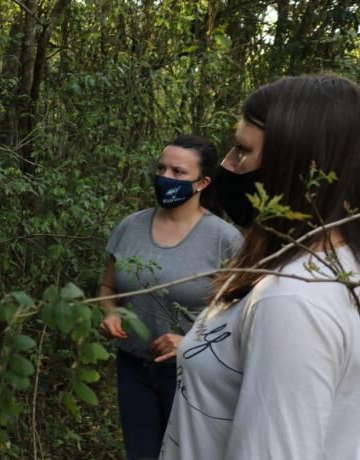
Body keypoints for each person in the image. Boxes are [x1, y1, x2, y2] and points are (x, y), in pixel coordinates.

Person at [160, 74, 360, 459]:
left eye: (241, 150)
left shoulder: (292, 300)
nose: (227, 165)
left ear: (297, 167)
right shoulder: (329, 271)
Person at [99, 135, 243, 460]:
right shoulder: (129, 227)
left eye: (178, 172)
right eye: (162, 168)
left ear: (203, 182)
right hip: (133, 368)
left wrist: (190, 341)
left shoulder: (225, 240)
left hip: (193, 374)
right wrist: (109, 313)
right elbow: (108, 289)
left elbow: (241, 319)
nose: (166, 177)